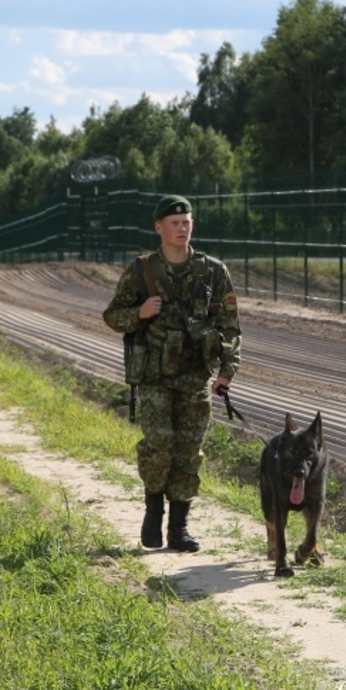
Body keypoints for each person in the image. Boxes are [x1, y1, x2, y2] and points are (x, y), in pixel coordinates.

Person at [103, 195, 241, 551]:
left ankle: (179, 527)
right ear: (159, 228)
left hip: (196, 375)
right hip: (154, 375)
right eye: (175, 223)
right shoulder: (142, 271)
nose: (182, 228)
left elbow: (230, 325)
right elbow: (112, 316)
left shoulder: (213, 271)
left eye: (187, 222)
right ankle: (153, 513)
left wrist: (227, 371)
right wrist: (140, 313)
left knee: (189, 451)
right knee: (158, 446)